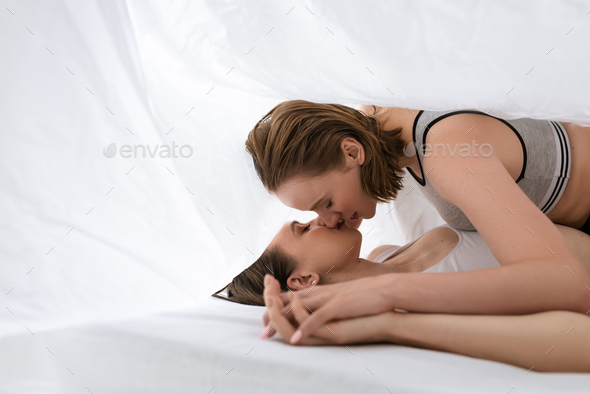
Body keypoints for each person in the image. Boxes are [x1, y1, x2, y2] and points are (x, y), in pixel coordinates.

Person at [244, 100, 590, 344]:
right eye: (311, 215)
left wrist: (386, 294)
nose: (329, 220)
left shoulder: (447, 153)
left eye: (326, 202)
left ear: (352, 151)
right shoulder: (384, 121)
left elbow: (567, 283)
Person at [225, 215, 590, 372]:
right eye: (303, 229)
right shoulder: (408, 309)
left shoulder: (384, 251)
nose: (319, 218)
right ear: (303, 281)